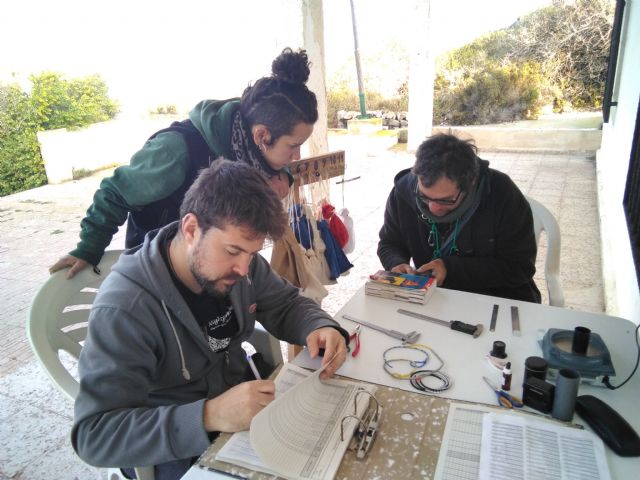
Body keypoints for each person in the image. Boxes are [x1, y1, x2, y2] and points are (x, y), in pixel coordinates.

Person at [71, 160, 348, 479]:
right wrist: (208, 415)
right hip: (173, 443)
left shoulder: (242, 264)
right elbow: (95, 436)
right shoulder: (125, 308)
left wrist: (320, 326)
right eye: (233, 251)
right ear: (190, 229)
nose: (244, 269)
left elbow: (285, 303)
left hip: (242, 410)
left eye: (252, 252)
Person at [50, 47, 318, 279]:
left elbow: (271, 163)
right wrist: (89, 248)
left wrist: (283, 177)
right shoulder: (176, 151)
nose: (296, 157)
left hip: (213, 271)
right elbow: (115, 193)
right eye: (293, 146)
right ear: (262, 135)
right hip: (159, 273)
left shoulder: (251, 142)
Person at [377, 133, 541, 303]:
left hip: (498, 298)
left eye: (446, 200)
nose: (433, 208)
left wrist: (450, 269)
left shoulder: (501, 193)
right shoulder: (403, 192)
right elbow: (389, 243)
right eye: (425, 197)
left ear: (470, 183)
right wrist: (396, 263)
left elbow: (520, 267)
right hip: (434, 297)